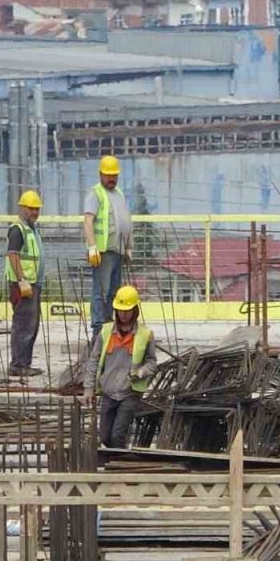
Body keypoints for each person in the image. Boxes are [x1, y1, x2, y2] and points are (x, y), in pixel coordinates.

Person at [82, 285, 157, 449]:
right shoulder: (106, 332)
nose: (123, 314)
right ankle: (115, 465)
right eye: (120, 310)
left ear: (135, 310)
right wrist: (88, 388)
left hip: (129, 393)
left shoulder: (145, 335)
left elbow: (152, 362)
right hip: (109, 392)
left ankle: (119, 470)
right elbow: (93, 360)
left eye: (127, 310)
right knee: (105, 437)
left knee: (117, 437)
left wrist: (141, 372)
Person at [83, 155, 133, 339]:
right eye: (108, 175)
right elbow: (88, 221)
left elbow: (125, 220)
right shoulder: (95, 193)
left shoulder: (118, 194)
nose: (111, 179)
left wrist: (128, 246)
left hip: (118, 251)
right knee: (100, 293)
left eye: (114, 175)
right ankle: (99, 330)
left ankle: (110, 325)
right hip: (103, 253)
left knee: (113, 292)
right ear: (100, 174)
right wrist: (92, 247)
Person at [6, 190, 45, 378]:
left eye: (37, 209)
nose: (35, 212)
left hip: (33, 284)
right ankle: (18, 364)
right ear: (22, 208)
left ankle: (25, 363)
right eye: (31, 209)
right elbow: (13, 255)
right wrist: (22, 280)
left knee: (32, 325)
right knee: (23, 324)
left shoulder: (32, 229)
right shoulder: (18, 229)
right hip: (23, 285)